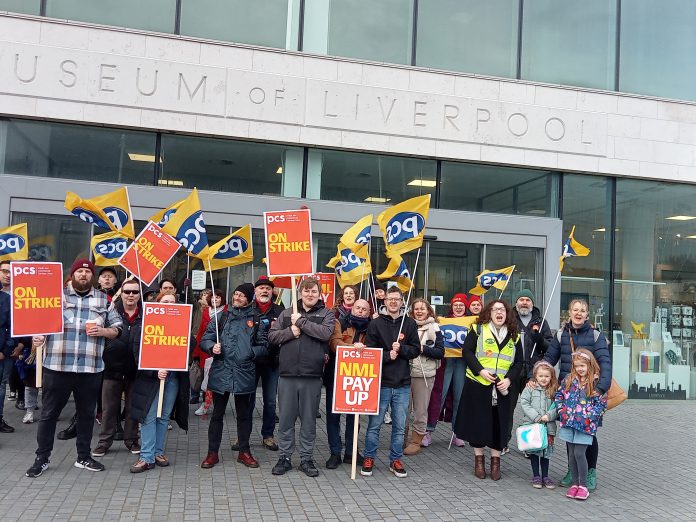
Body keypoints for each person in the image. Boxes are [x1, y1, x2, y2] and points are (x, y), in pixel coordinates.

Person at [25, 259, 122, 478]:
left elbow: (118, 327)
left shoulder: (103, 299)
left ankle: (84, 456)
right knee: (49, 414)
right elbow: (36, 322)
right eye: (80, 271)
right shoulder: (54, 297)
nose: (84, 275)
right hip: (57, 366)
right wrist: (36, 336)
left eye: (88, 272)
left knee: (87, 415)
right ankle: (42, 458)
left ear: (92, 277)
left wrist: (103, 332)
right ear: (73, 274)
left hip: (90, 368)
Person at [268, 277, 335, 478]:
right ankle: (285, 457)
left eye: (314, 291)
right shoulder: (286, 313)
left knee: (308, 421)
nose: (310, 294)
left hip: (312, 375)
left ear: (319, 293)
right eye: (306, 291)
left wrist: (302, 323)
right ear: (300, 292)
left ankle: (306, 458)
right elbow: (272, 337)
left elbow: (325, 334)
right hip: (287, 375)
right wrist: (291, 331)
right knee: (286, 419)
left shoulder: (327, 314)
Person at [543, 298, 612, 491]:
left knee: (589, 433)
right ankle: (572, 471)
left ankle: (590, 471)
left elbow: (605, 362)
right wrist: (538, 374)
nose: (579, 313)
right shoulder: (561, 335)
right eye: (575, 310)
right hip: (569, 394)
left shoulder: (596, 335)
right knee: (570, 433)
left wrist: (600, 388)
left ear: (587, 314)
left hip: (590, 393)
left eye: (582, 310)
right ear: (570, 312)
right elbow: (549, 359)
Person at [199, 283, 269, 469]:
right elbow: (205, 339)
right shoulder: (222, 316)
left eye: (241, 295)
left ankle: (244, 452)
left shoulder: (256, 319)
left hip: (244, 373)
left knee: (244, 416)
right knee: (217, 416)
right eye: (235, 294)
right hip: (221, 372)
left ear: (249, 299)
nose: (236, 297)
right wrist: (211, 347)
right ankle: (212, 453)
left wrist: (250, 353)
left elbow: (264, 347)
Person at [454, 299, 522, 481]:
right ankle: (479, 460)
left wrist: (509, 380)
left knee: (499, 424)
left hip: (502, 387)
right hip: (478, 383)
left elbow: (519, 363)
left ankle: (495, 462)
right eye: (495, 310)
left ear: (507, 314)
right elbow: (466, 352)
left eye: (502, 310)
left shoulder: (515, 335)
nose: (499, 313)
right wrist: (480, 371)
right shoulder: (478, 329)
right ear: (489, 313)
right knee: (478, 423)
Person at [361, 286, 420, 478]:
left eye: (397, 299)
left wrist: (402, 349)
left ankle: (395, 459)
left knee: (399, 425)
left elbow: (416, 350)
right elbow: (370, 351)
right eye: (390, 299)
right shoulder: (376, 324)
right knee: (375, 424)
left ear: (402, 302)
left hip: (402, 383)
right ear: (384, 301)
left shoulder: (409, 323)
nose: (393, 302)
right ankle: (369, 457)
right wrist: (388, 355)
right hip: (381, 382)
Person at [128, 292, 190, 473]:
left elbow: (189, 348)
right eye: (165, 302)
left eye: (173, 302)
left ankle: (158, 452)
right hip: (150, 380)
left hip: (172, 378)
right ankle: (146, 456)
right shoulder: (144, 324)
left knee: (163, 416)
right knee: (148, 416)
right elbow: (136, 354)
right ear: (157, 304)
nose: (169, 305)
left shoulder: (182, 324)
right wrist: (155, 370)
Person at [91, 278, 142, 458]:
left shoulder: (146, 315)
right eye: (127, 291)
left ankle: (131, 440)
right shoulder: (110, 312)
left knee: (132, 407)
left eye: (135, 292)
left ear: (139, 294)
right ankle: (104, 442)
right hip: (111, 367)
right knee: (109, 408)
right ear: (122, 292)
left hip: (135, 369)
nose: (130, 295)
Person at [325, 298, 372, 468]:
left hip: (359, 379)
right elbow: (334, 343)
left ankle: (351, 452)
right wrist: (352, 347)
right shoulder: (340, 322)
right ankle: (335, 452)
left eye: (364, 309)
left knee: (355, 417)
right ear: (352, 309)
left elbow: (374, 346)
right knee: (333, 416)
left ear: (368, 312)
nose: (360, 311)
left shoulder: (372, 327)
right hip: (337, 376)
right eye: (357, 308)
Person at [555, 349, 607, 500]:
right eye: (577, 366)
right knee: (571, 455)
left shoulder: (596, 382)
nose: (580, 369)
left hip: (585, 425)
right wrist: (561, 410)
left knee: (579, 453)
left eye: (583, 365)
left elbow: (602, 403)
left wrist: (591, 416)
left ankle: (583, 485)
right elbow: (559, 395)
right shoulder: (569, 379)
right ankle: (575, 484)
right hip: (569, 422)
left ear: (590, 364)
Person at [507, 289, 553, 452]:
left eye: (527, 300)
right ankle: (504, 442)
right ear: (516, 303)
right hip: (512, 372)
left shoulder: (541, 322)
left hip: (532, 374)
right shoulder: (508, 320)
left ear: (532, 304)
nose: (524, 302)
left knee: (532, 411)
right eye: (521, 299)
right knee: (507, 409)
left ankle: (531, 445)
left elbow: (550, 347)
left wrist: (539, 339)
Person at [426, 293, 468, 447]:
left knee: (459, 397)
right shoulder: (442, 321)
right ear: (451, 306)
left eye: (461, 305)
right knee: (438, 396)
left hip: (461, 363)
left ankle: (457, 432)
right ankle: (429, 430)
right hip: (445, 363)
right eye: (456, 304)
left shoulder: (470, 322)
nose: (458, 307)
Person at [403, 298, 444, 456]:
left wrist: (422, 348)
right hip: (405, 372)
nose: (419, 312)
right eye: (416, 309)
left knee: (420, 410)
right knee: (403, 409)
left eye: (422, 309)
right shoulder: (406, 325)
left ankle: (416, 441)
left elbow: (440, 352)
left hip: (424, 374)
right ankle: (402, 438)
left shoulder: (435, 328)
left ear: (429, 311)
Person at [251, 276, 284, 452]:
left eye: (268, 288)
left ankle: (268, 436)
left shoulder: (280, 310)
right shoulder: (248, 309)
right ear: (255, 291)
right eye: (261, 288)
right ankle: (244, 435)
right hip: (251, 362)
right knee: (247, 400)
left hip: (272, 362)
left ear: (273, 292)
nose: (264, 291)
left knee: (270, 401)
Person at [520, 361, 558, 489]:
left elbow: (558, 406)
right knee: (535, 451)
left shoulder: (553, 390)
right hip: (533, 425)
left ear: (551, 377)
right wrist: (536, 416)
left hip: (548, 427)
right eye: (541, 376)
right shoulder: (530, 388)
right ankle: (536, 475)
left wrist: (549, 416)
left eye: (547, 376)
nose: (543, 379)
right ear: (535, 375)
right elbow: (524, 403)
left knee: (546, 452)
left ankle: (545, 476)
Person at [192, 290, 227, 415]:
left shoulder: (227, 312)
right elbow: (201, 332)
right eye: (213, 298)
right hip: (205, 351)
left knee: (215, 380)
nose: (215, 300)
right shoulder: (206, 312)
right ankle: (205, 403)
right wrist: (196, 351)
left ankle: (212, 405)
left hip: (220, 351)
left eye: (217, 297)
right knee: (205, 380)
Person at [0, 282, 15, 433]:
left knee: (1, 387)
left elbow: (13, 326)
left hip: (2, 354)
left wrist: (5, 350)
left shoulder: (6, 299)